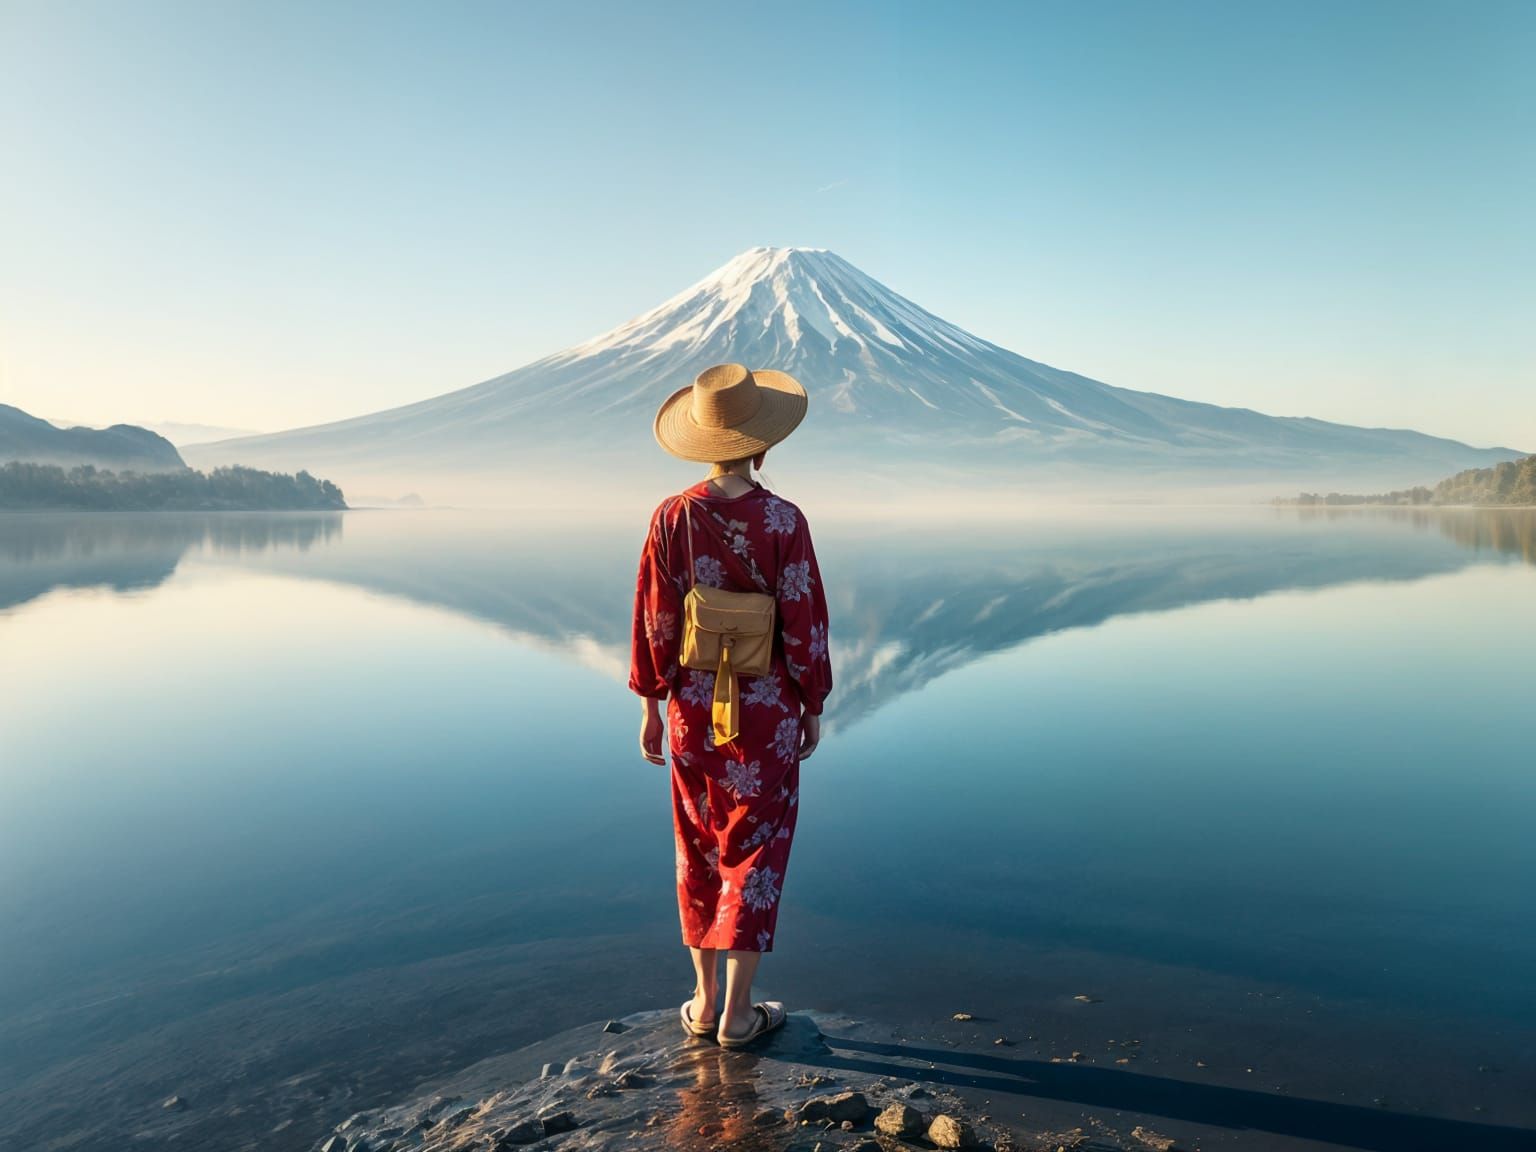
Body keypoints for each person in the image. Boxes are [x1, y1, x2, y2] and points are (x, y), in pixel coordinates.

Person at [629, 362, 832, 1048]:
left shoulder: (671, 516)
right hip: (766, 712)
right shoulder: (783, 519)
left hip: (690, 706)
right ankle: (740, 1015)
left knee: (698, 847)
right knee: (756, 851)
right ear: (763, 444)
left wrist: (652, 705)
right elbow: (803, 618)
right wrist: (811, 701)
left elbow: (656, 621)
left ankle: (703, 999)